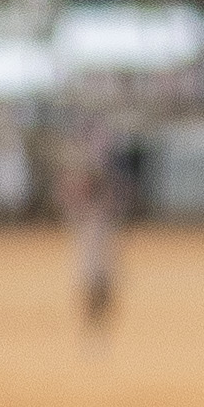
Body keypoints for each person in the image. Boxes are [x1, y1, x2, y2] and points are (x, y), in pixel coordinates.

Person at [75, 133, 124, 346]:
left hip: (99, 261)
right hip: (95, 262)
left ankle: (97, 334)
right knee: (94, 297)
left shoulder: (99, 215)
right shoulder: (93, 216)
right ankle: (94, 333)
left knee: (100, 298)